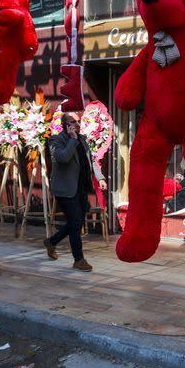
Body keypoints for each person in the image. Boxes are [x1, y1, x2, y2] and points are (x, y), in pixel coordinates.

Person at [43, 112, 107, 271]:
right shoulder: (56, 140)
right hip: (65, 189)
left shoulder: (83, 139)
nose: (77, 124)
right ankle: (78, 259)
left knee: (75, 222)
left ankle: (52, 241)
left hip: (80, 188)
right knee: (76, 223)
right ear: (65, 125)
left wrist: (100, 178)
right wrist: (72, 140)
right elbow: (62, 158)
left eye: (78, 121)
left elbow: (90, 160)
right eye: (72, 122)